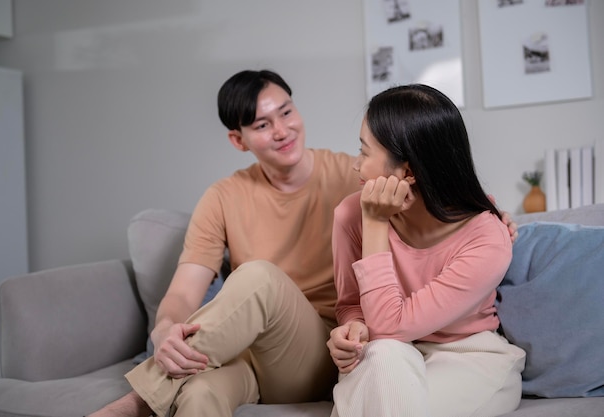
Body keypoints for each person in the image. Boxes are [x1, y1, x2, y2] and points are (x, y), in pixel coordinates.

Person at [89, 72, 517, 417]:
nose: (281, 130)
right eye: (261, 124)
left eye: (286, 112)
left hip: (322, 346)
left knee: (257, 276)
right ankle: (153, 394)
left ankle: (138, 403)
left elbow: (440, 188)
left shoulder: (352, 184)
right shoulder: (226, 197)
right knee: (198, 394)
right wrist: (164, 331)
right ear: (238, 140)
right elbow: (184, 290)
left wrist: (489, 217)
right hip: (255, 345)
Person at [326, 84, 526, 417]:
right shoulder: (349, 214)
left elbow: (390, 324)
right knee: (386, 357)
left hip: (467, 355)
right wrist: (353, 329)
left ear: (407, 172)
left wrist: (376, 222)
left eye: (364, 152)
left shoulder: (488, 237)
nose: (355, 166)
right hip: (384, 352)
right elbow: (351, 306)